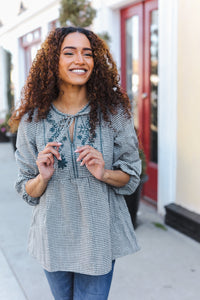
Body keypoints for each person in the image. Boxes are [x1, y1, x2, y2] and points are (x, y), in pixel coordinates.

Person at [9, 26, 141, 300]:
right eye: (69, 53)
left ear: (95, 61)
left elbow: (132, 178)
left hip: (98, 236)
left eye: (87, 54)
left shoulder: (114, 114)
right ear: (52, 61)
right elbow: (25, 190)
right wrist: (42, 177)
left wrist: (104, 172)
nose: (80, 60)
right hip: (52, 236)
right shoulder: (32, 121)